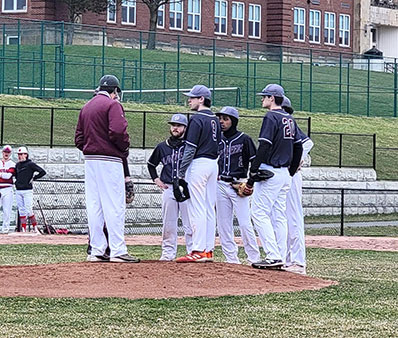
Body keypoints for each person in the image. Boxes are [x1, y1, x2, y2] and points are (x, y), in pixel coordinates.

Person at [75, 74, 139, 263]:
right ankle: (118, 250)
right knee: (114, 205)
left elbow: (78, 138)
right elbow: (118, 131)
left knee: (95, 206)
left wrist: (90, 148)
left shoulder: (86, 107)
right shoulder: (113, 105)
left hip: (90, 160)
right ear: (115, 91)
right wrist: (123, 148)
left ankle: (96, 249)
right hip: (109, 159)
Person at [250, 84, 303, 270]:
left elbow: (264, 145)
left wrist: (253, 170)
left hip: (271, 171)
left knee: (258, 212)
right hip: (284, 173)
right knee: (279, 215)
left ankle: (273, 255)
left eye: (265, 96)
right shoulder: (289, 119)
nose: (262, 99)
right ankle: (279, 255)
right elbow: (299, 147)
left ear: (273, 98)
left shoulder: (271, 116)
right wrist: (291, 170)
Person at [175, 85, 221, 263]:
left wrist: (180, 172)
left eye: (193, 97)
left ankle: (198, 249)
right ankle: (208, 250)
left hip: (199, 164)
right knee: (209, 207)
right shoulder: (215, 119)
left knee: (197, 207)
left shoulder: (197, 119)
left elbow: (190, 148)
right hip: (213, 163)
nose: (189, 100)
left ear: (201, 99)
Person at [215, 106, 260, 264]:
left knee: (245, 222)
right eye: (220, 118)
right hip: (220, 183)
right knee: (223, 223)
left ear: (233, 121)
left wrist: (249, 182)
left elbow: (254, 161)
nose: (222, 121)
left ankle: (254, 257)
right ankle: (231, 259)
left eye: (225, 119)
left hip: (238, 183)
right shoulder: (216, 139)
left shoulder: (244, 139)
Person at [147, 113, 193, 261]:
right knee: (168, 223)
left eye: (179, 126)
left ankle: (192, 251)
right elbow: (151, 164)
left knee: (190, 223)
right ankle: (167, 253)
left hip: (186, 188)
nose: (175, 128)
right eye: (173, 125)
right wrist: (156, 179)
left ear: (185, 128)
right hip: (168, 187)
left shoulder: (190, 146)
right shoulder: (162, 146)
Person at [282, 96, 314, 275]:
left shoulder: (289, 123)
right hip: (284, 175)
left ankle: (298, 261)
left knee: (293, 217)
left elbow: (307, 143)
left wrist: (297, 161)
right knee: (283, 218)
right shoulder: (282, 125)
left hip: (292, 176)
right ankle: (287, 259)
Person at [14, 146, 46, 233]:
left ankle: (35, 227)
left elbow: (42, 171)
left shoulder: (30, 164)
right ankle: (23, 228)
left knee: (29, 209)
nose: (20, 156)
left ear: (26, 155)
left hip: (27, 190)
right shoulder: (17, 165)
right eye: (19, 154)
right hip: (18, 190)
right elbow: (16, 176)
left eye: (21, 154)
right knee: (21, 210)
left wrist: (34, 178)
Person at [0, 145, 16, 234]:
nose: (6, 154)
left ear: (10, 154)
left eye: (8, 152)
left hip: (7, 188)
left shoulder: (12, 164)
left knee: (7, 210)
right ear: (2, 152)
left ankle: (5, 228)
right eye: (5, 152)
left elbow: (8, 176)